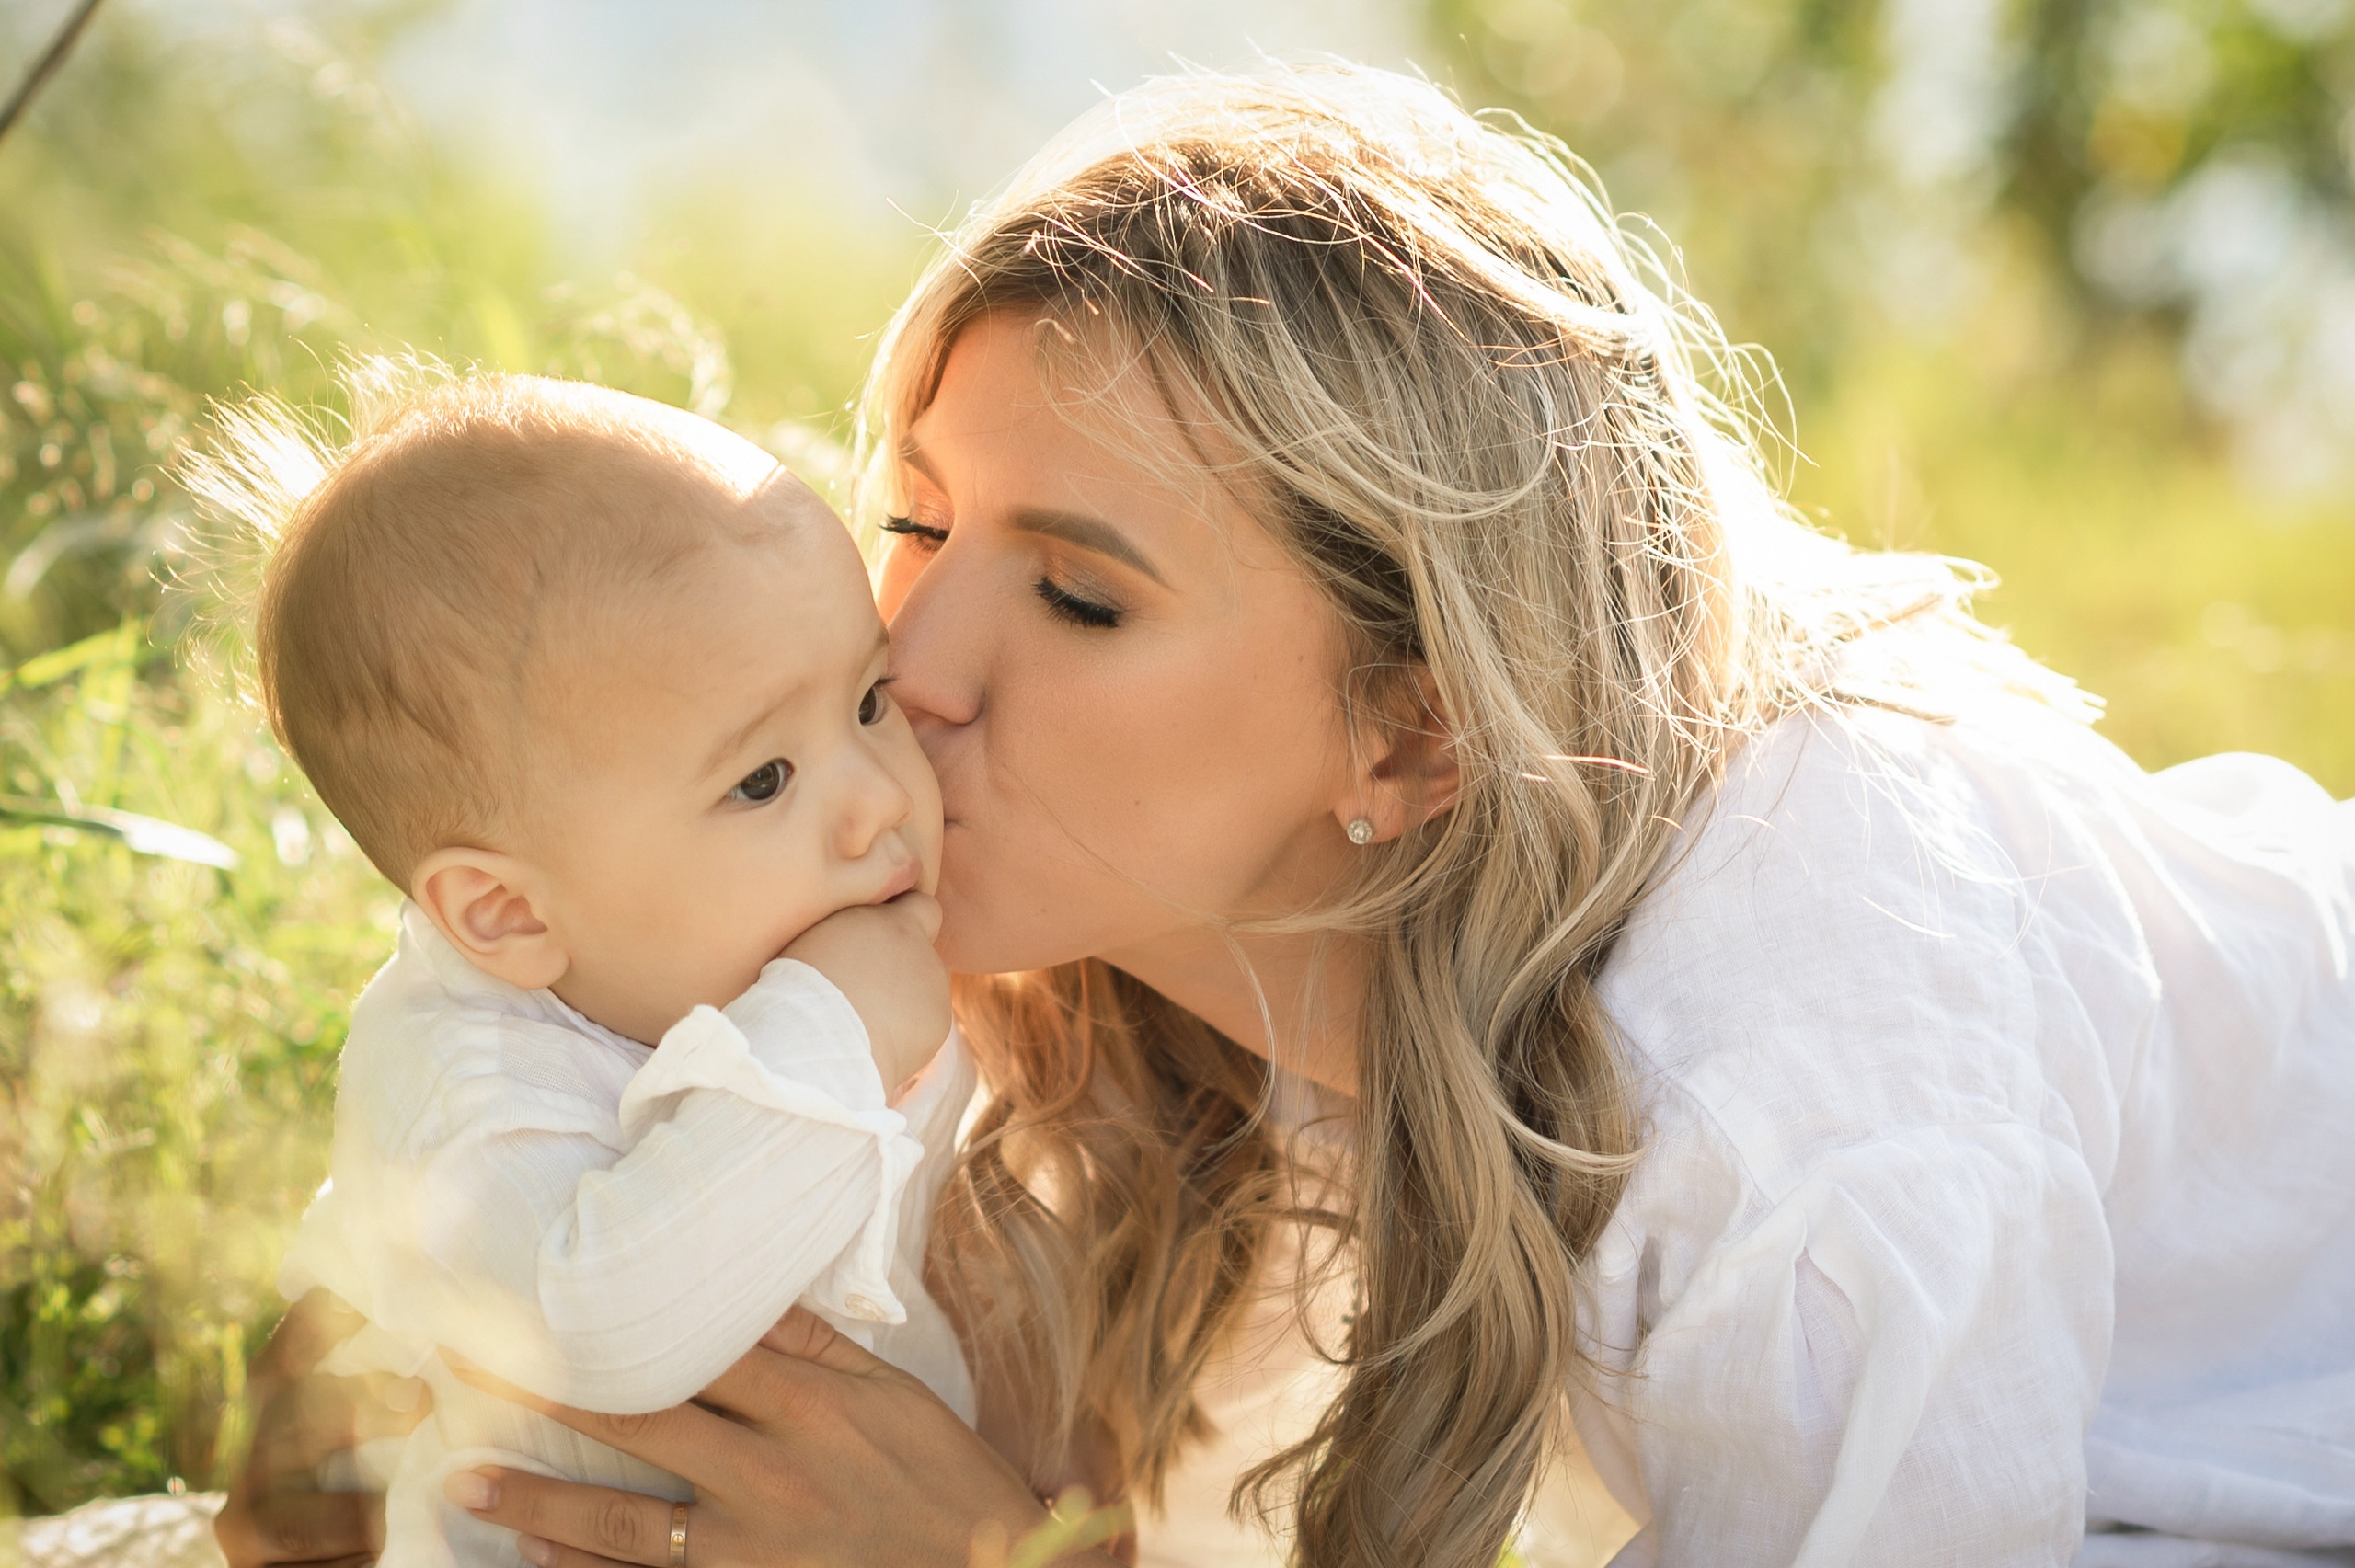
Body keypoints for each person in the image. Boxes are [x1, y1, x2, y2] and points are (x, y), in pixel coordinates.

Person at [214, 64, 2355, 1568]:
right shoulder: (1172, 956)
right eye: (916, 519)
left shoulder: (1793, 1120)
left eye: (1076, 593)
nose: (914, 667)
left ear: (1411, 737)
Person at [194, 372, 978, 1568]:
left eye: (869, 700)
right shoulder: (465, 1083)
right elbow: (602, 1328)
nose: (881, 797)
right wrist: (837, 1031)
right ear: (505, 910)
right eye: (763, 779)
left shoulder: (751, 943)